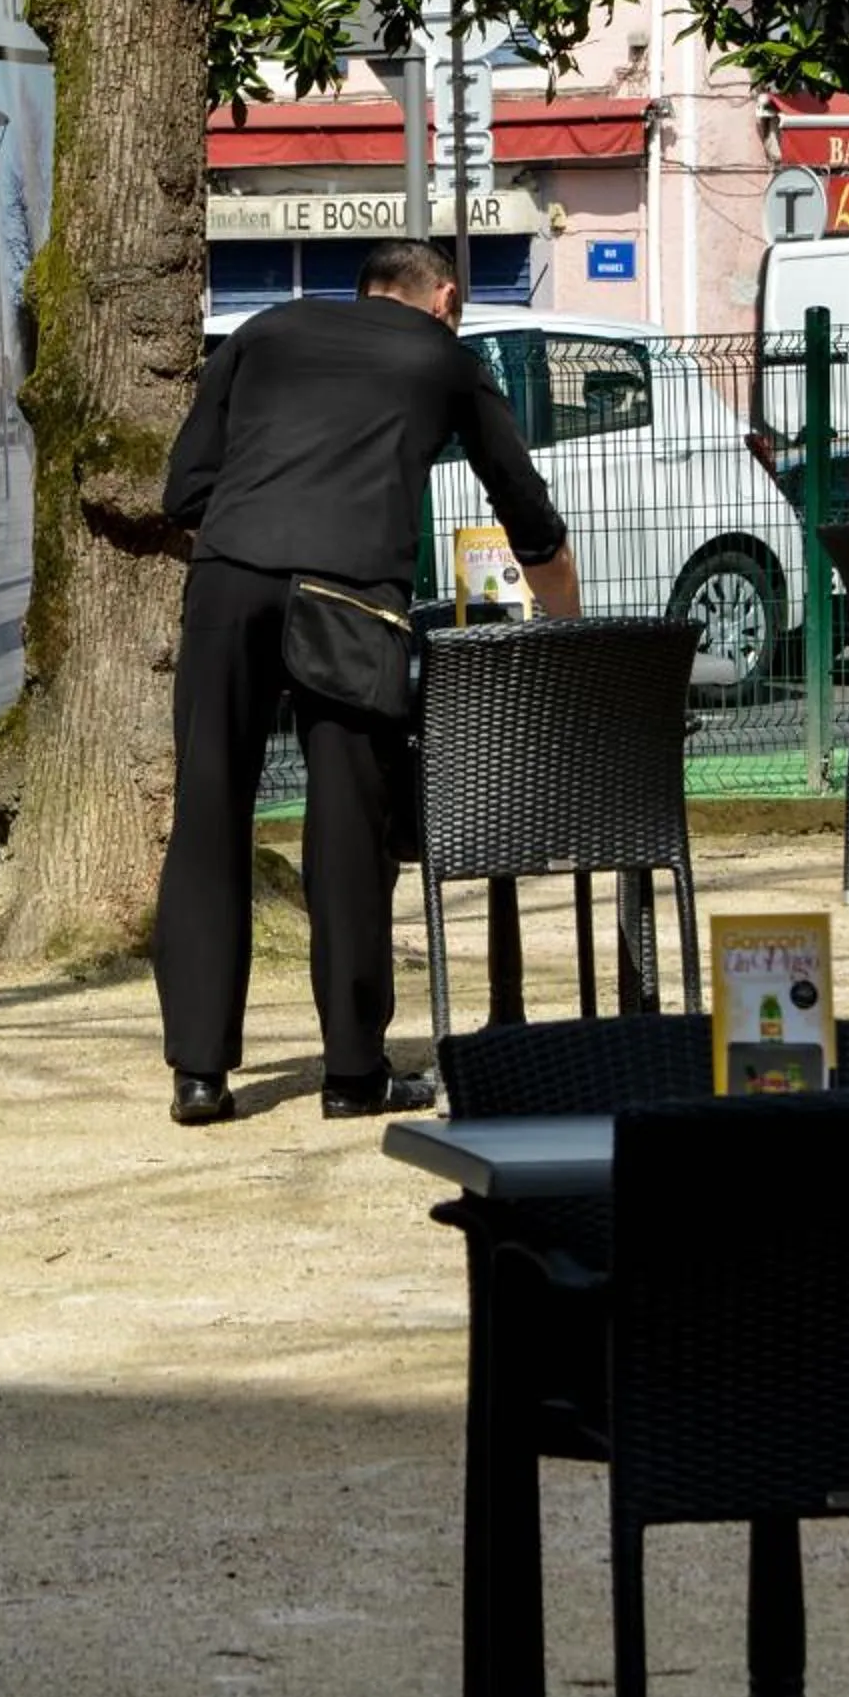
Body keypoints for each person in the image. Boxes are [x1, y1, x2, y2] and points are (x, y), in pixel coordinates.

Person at [153, 238, 581, 1127]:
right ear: (444, 298)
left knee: (209, 811)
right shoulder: (448, 360)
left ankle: (200, 1074)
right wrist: (570, 629)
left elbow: (184, 489)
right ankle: (354, 1072)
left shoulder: (263, 333)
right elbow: (526, 514)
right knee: (351, 825)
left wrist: (259, 533)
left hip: (232, 576)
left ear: (363, 291)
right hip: (351, 590)